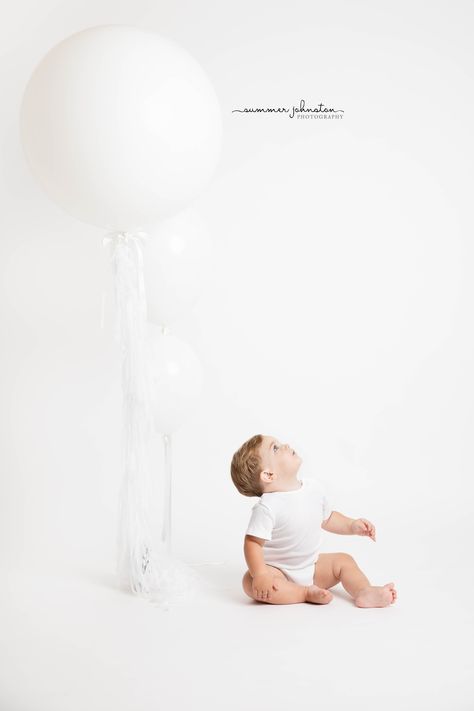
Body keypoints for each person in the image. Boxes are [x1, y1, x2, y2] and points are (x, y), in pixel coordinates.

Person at [230, 434, 397, 607]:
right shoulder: (267, 507)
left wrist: (352, 525)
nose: (285, 445)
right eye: (275, 448)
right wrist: (261, 575)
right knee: (249, 582)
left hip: (312, 567)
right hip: (279, 571)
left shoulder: (313, 489)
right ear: (269, 475)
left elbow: (328, 518)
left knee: (344, 561)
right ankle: (304, 593)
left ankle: (364, 591)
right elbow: (253, 543)